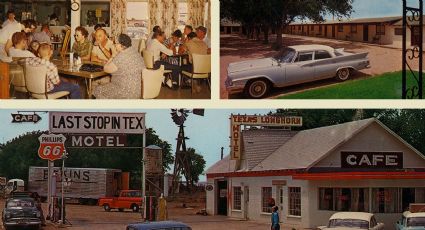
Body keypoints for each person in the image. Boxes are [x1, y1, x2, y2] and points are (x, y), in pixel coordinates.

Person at [93, 34, 144, 99]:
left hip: (126, 92)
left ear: (121, 45)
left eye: (115, 43)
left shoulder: (121, 56)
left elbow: (105, 69)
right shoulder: (135, 52)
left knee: (98, 89)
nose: (114, 45)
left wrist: (113, 55)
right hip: (138, 90)